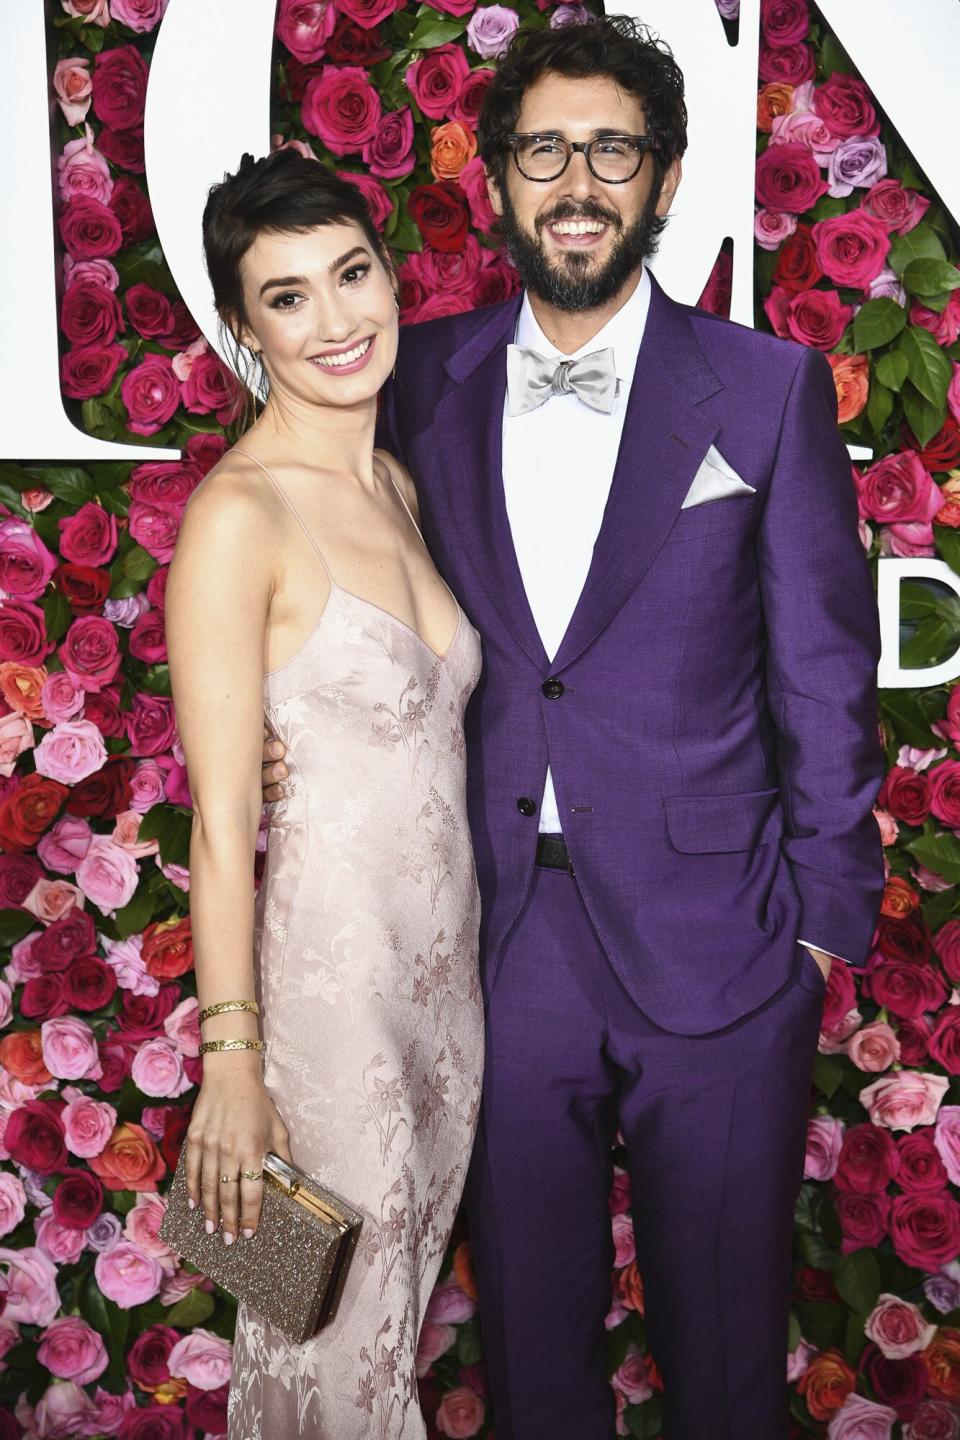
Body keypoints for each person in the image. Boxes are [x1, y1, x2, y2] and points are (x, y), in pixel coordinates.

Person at [261, 16, 886, 1438]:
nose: (577, 180)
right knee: (531, 1371)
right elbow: (308, 547)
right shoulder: (418, 381)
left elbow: (824, 674)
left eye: (612, 148)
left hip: (726, 944)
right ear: (497, 182)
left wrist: (818, 934)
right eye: (544, 149)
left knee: (728, 1371)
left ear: (663, 181)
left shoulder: (765, 389)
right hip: (495, 945)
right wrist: (281, 727)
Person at [166, 149, 483, 1440]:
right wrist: (234, 1064)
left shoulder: (396, 487)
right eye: (287, 296)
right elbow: (222, 817)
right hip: (323, 1022)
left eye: (351, 273)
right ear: (244, 328)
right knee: (325, 1370)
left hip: (444, 1009)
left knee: (384, 1345)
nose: (336, 318)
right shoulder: (237, 514)